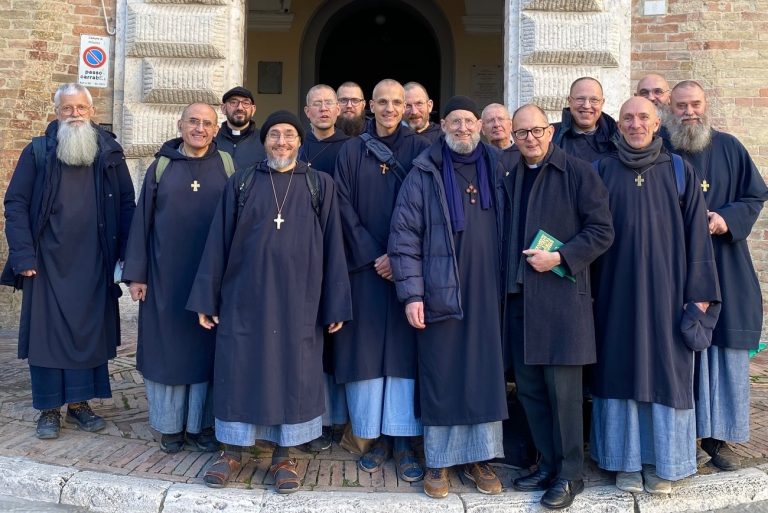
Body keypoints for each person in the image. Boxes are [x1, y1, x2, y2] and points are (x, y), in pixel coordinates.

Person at [187, 110, 352, 494]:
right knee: (238, 368)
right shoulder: (242, 182)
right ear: (264, 142)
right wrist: (207, 298)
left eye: (289, 135)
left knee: (294, 374)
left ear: (299, 142)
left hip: (300, 301)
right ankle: (231, 451)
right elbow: (218, 242)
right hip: (243, 298)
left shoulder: (319, 184)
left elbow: (334, 245)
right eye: (274, 135)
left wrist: (336, 303)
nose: (282, 142)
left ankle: (284, 455)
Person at [590, 96, 721, 494]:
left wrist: (699, 296)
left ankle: (664, 463)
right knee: (619, 371)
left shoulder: (680, 171)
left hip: (669, 295)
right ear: (618, 125)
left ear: (656, 122)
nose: (635, 124)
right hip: (614, 293)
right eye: (628, 118)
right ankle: (625, 462)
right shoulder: (601, 170)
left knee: (667, 372)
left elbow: (698, 238)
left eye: (643, 117)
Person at [389, 96, 507, 499]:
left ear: (480, 125)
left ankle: (480, 459)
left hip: (488, 290)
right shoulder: (424, 172)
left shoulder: (498, 165)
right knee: (442, 372)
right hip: (439, 290)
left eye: (469, 121)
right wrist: (412, 294)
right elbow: (404, 237)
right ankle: (438, 462)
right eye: (455, 122)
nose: (463, 128)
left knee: (483, 373)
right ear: (444, 126)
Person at [2, 83, 135, 439]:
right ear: (57, 112)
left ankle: (79, 405)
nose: (74, 114)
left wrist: (127, 256)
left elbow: (127, 204)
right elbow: (15, 203)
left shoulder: (110, 152)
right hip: (46, 262)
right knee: (47, 337)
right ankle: (49, 409)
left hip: (95, 260)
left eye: (80, 108)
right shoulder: (38, 151)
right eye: (67, 108)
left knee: (88, 335)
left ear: (91, 111)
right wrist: (22, 254)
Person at [502, 104, 613, 509]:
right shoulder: (509, 174)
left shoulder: (579, 173)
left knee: (564, 394)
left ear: (550, 131)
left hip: (562, 301)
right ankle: (548, 465)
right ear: (513, 137)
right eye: (521, 133)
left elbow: (602, 231)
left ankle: (570, 475)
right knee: (530, 390)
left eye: (536, 130)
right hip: (519, 299)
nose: (529, 138)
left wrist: (561, 257)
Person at [667, 80, 768, 471]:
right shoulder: (660, 149)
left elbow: (754, 195)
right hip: (676, 268)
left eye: (695, 104)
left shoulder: (729, 147)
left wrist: (725, 219)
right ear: (670, 109)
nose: (689, 112)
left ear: (706, 105)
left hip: (725, 262)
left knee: (723, 351)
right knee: (680, 347)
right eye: (681, 106)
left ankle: (718, 438)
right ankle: (684, 435)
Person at [334, 79, 430, 482]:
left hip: (408, 269)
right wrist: (375, 254)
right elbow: (341, 205)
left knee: (404, 355)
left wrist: (400, 256)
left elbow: (430, 206)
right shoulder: (351, 151)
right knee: (368, 351)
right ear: (370, 106)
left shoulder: (423, 148)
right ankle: (371, 437)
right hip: (366, 269)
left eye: (397, 102)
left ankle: (404, 440)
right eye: (383, 102)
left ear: (406, 107)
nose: (390, 109)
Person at [122, 103, 232, 454]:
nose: (200, 128)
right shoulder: (161, 166)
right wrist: (136, 275)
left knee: (206, 352)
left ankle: (203, 425)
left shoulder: (228, 165)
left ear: (216, 129)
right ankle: (170, 427)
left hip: (211, 278)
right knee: (167, 352)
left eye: (207, 123)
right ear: (180, 124)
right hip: (164, 278)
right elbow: (142, 221)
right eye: (193, 122)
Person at [300, 84, 351, 451]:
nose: (322, 110)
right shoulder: (293, 146)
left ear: (338, 110)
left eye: (328, 104)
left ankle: (334, 417)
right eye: (316, 104)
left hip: (339, 251)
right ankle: (307, 414)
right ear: (307, 112)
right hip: (300, 257)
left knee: (335, 337)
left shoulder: (351, 149)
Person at [552, 77, 617, 162]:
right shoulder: (549, 136)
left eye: (594, 100)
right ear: (569, 101)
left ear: (602, 102)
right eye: (580, 99)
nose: (586, 106)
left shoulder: (618, 138)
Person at [213, 86, 266, 170]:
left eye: (246, 103)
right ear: (223, 108)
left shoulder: (264, 141)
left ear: (253, 110)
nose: (240, 108)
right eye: (233, 102)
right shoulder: (211, 140)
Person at [481, 102, 521, 173]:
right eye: (490, 120)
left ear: (510, 125)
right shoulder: (479, 157)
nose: (496, 124)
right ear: (483, 129)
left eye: (501, 119)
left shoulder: (524, 154)